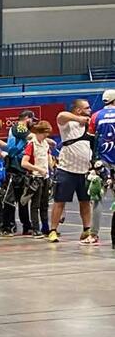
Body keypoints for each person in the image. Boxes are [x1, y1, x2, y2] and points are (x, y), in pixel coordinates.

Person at [49, 98, 96, 245]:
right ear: (78, 110)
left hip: (85, 171)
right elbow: (61, 115)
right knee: (60, 201)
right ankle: (53, 230)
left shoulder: (89, 125)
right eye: (87, 108)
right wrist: (79, 119)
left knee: (85, 202)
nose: (90, 110)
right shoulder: (67, 124)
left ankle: (86, 229)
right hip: (67, 170)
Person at [89, 89, 115, 248]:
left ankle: (93, 235)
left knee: (97, 199)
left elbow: (91, 140)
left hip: (101, 163)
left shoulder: (95, 116)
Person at [21, 120, 55, 237]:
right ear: (40, 132)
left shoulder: (45, 144)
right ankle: (35, 228)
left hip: (45, 177)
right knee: (35, 204)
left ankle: (45, 227)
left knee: (44, 204)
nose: (47, 135)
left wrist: (53, 166)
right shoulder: (31, 144)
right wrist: (38, 169)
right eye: (46, 133)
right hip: (35, 178)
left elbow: (48, 158)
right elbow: (24, 163)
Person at [4, 110, 35, 234]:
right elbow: (32, 137)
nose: (33, 123)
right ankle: (9, 226)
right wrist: (46, 140)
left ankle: (26, 226)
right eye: (32, 120)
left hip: (21, 170)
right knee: (10, 200)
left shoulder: (22, 129)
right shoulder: (19, 127)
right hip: (13, 168)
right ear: (27, 118)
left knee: (23, 201)